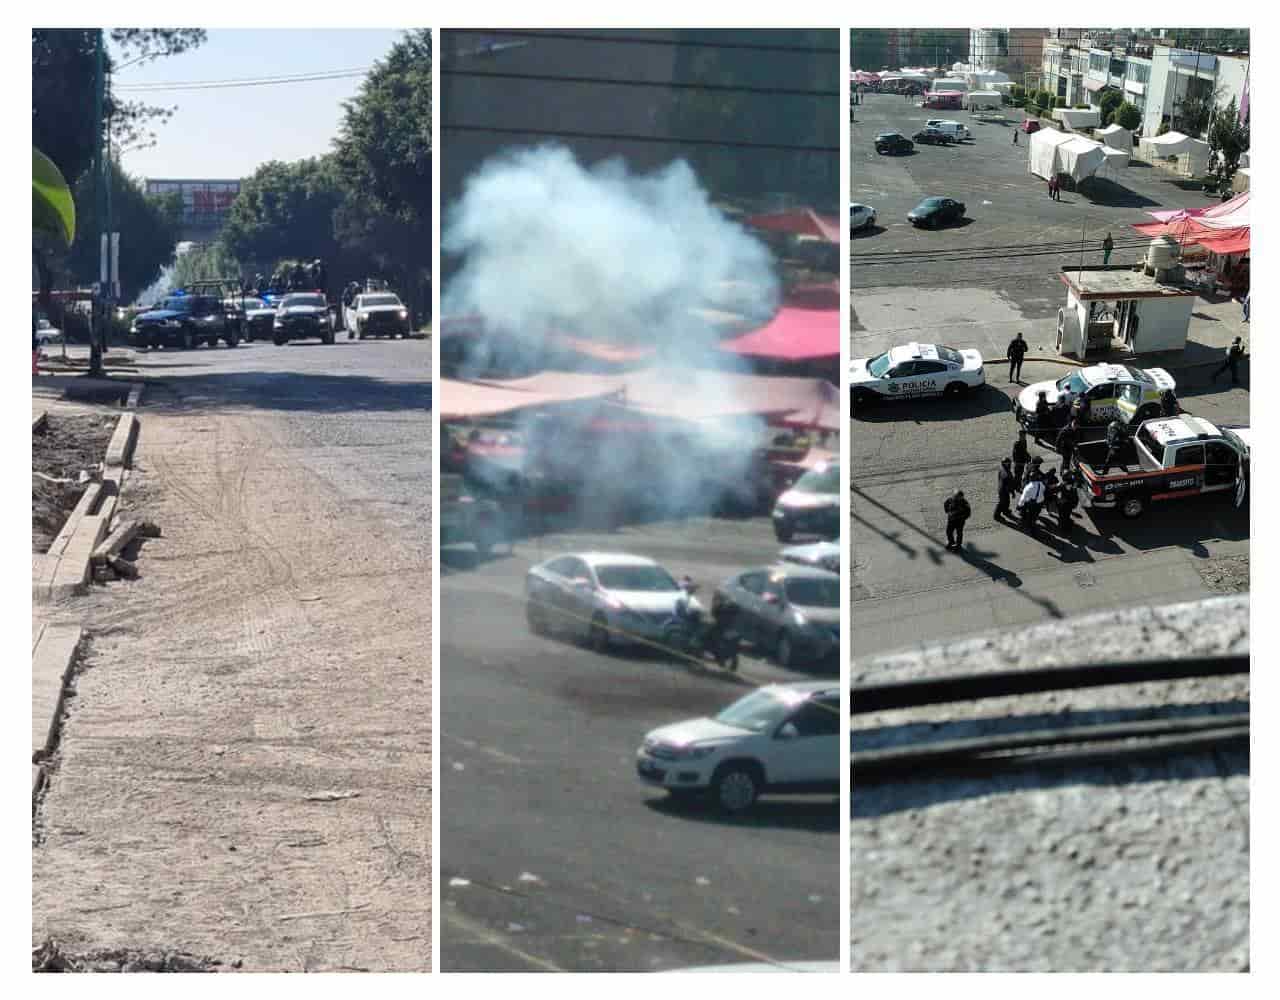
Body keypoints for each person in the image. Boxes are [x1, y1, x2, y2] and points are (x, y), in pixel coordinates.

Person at [1056, 468, 1079, 533]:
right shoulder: (1073, 485)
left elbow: (1055, 489)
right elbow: (1075, 496)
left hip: (1063, 503)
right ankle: (1066, 527)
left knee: (1062, 516)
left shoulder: (1062, 484)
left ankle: (1063, 528)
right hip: (1069, 504)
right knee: (1066, 515)